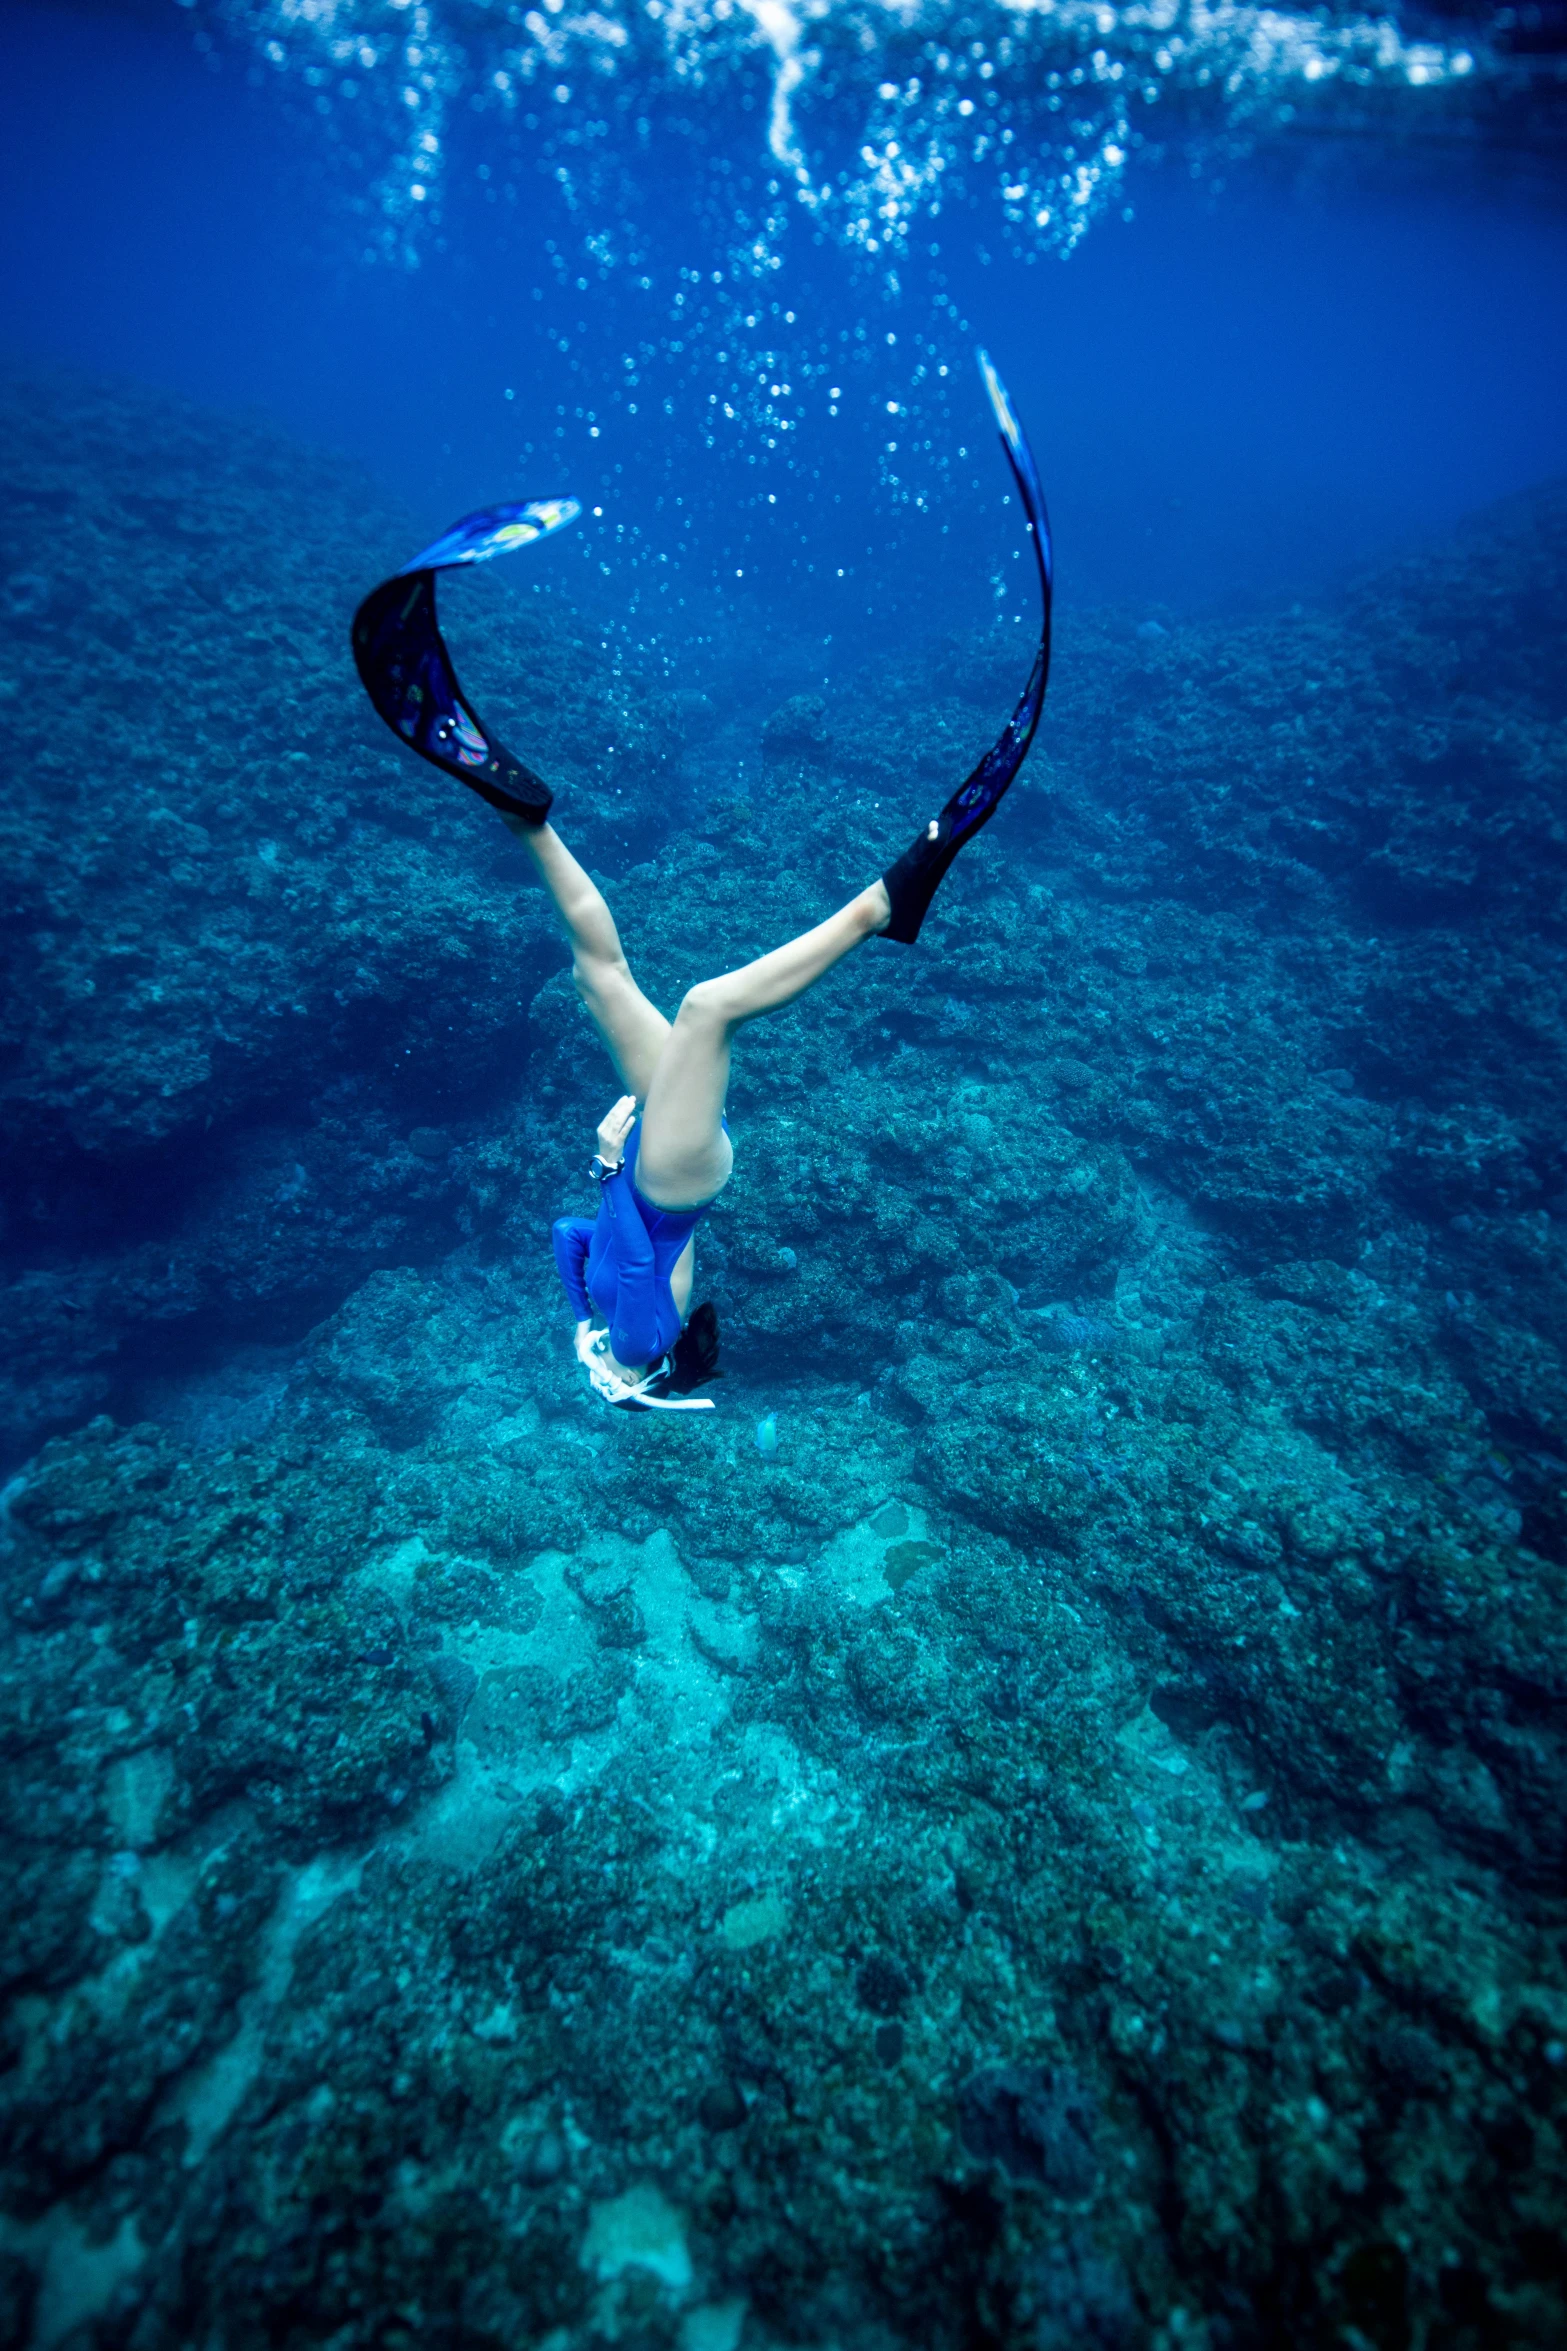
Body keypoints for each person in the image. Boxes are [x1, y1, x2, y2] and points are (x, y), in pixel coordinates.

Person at [351, 355, 1051, 1409]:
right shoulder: (636, 1330)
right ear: (652, 1367)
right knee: (707, 1005)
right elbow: (613, 1266)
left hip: (642, 1176)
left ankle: (520, 816)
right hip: (672, 1183)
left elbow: (569, 1235)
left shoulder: (612, 1317)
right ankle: (880, 905)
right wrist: (615, 1362)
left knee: (597, 974)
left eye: (611, 1365)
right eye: (622, 1372)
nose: (605, 1364)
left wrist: (599, 1176)